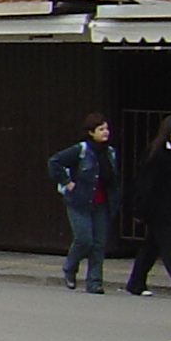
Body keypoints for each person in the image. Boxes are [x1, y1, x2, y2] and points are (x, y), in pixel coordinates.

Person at [49, 113, 119, 294]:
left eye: (107, 129)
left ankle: (94, 282)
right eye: (101, 129)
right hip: (80, 202)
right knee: (84, 239)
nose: (106, 132)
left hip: (102, 203)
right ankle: (70, 268)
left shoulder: (110, 153)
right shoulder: (81, 150)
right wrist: (68, 183)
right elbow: (55, 162)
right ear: (91, 132)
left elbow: (112, 180)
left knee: (99, 244)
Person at [124, 115, 171, 296]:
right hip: (159, 210)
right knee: (169, 247)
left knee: (151, 247)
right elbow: (144, 184)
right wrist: (138, 210)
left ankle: (135, 283)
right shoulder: (157, 153)